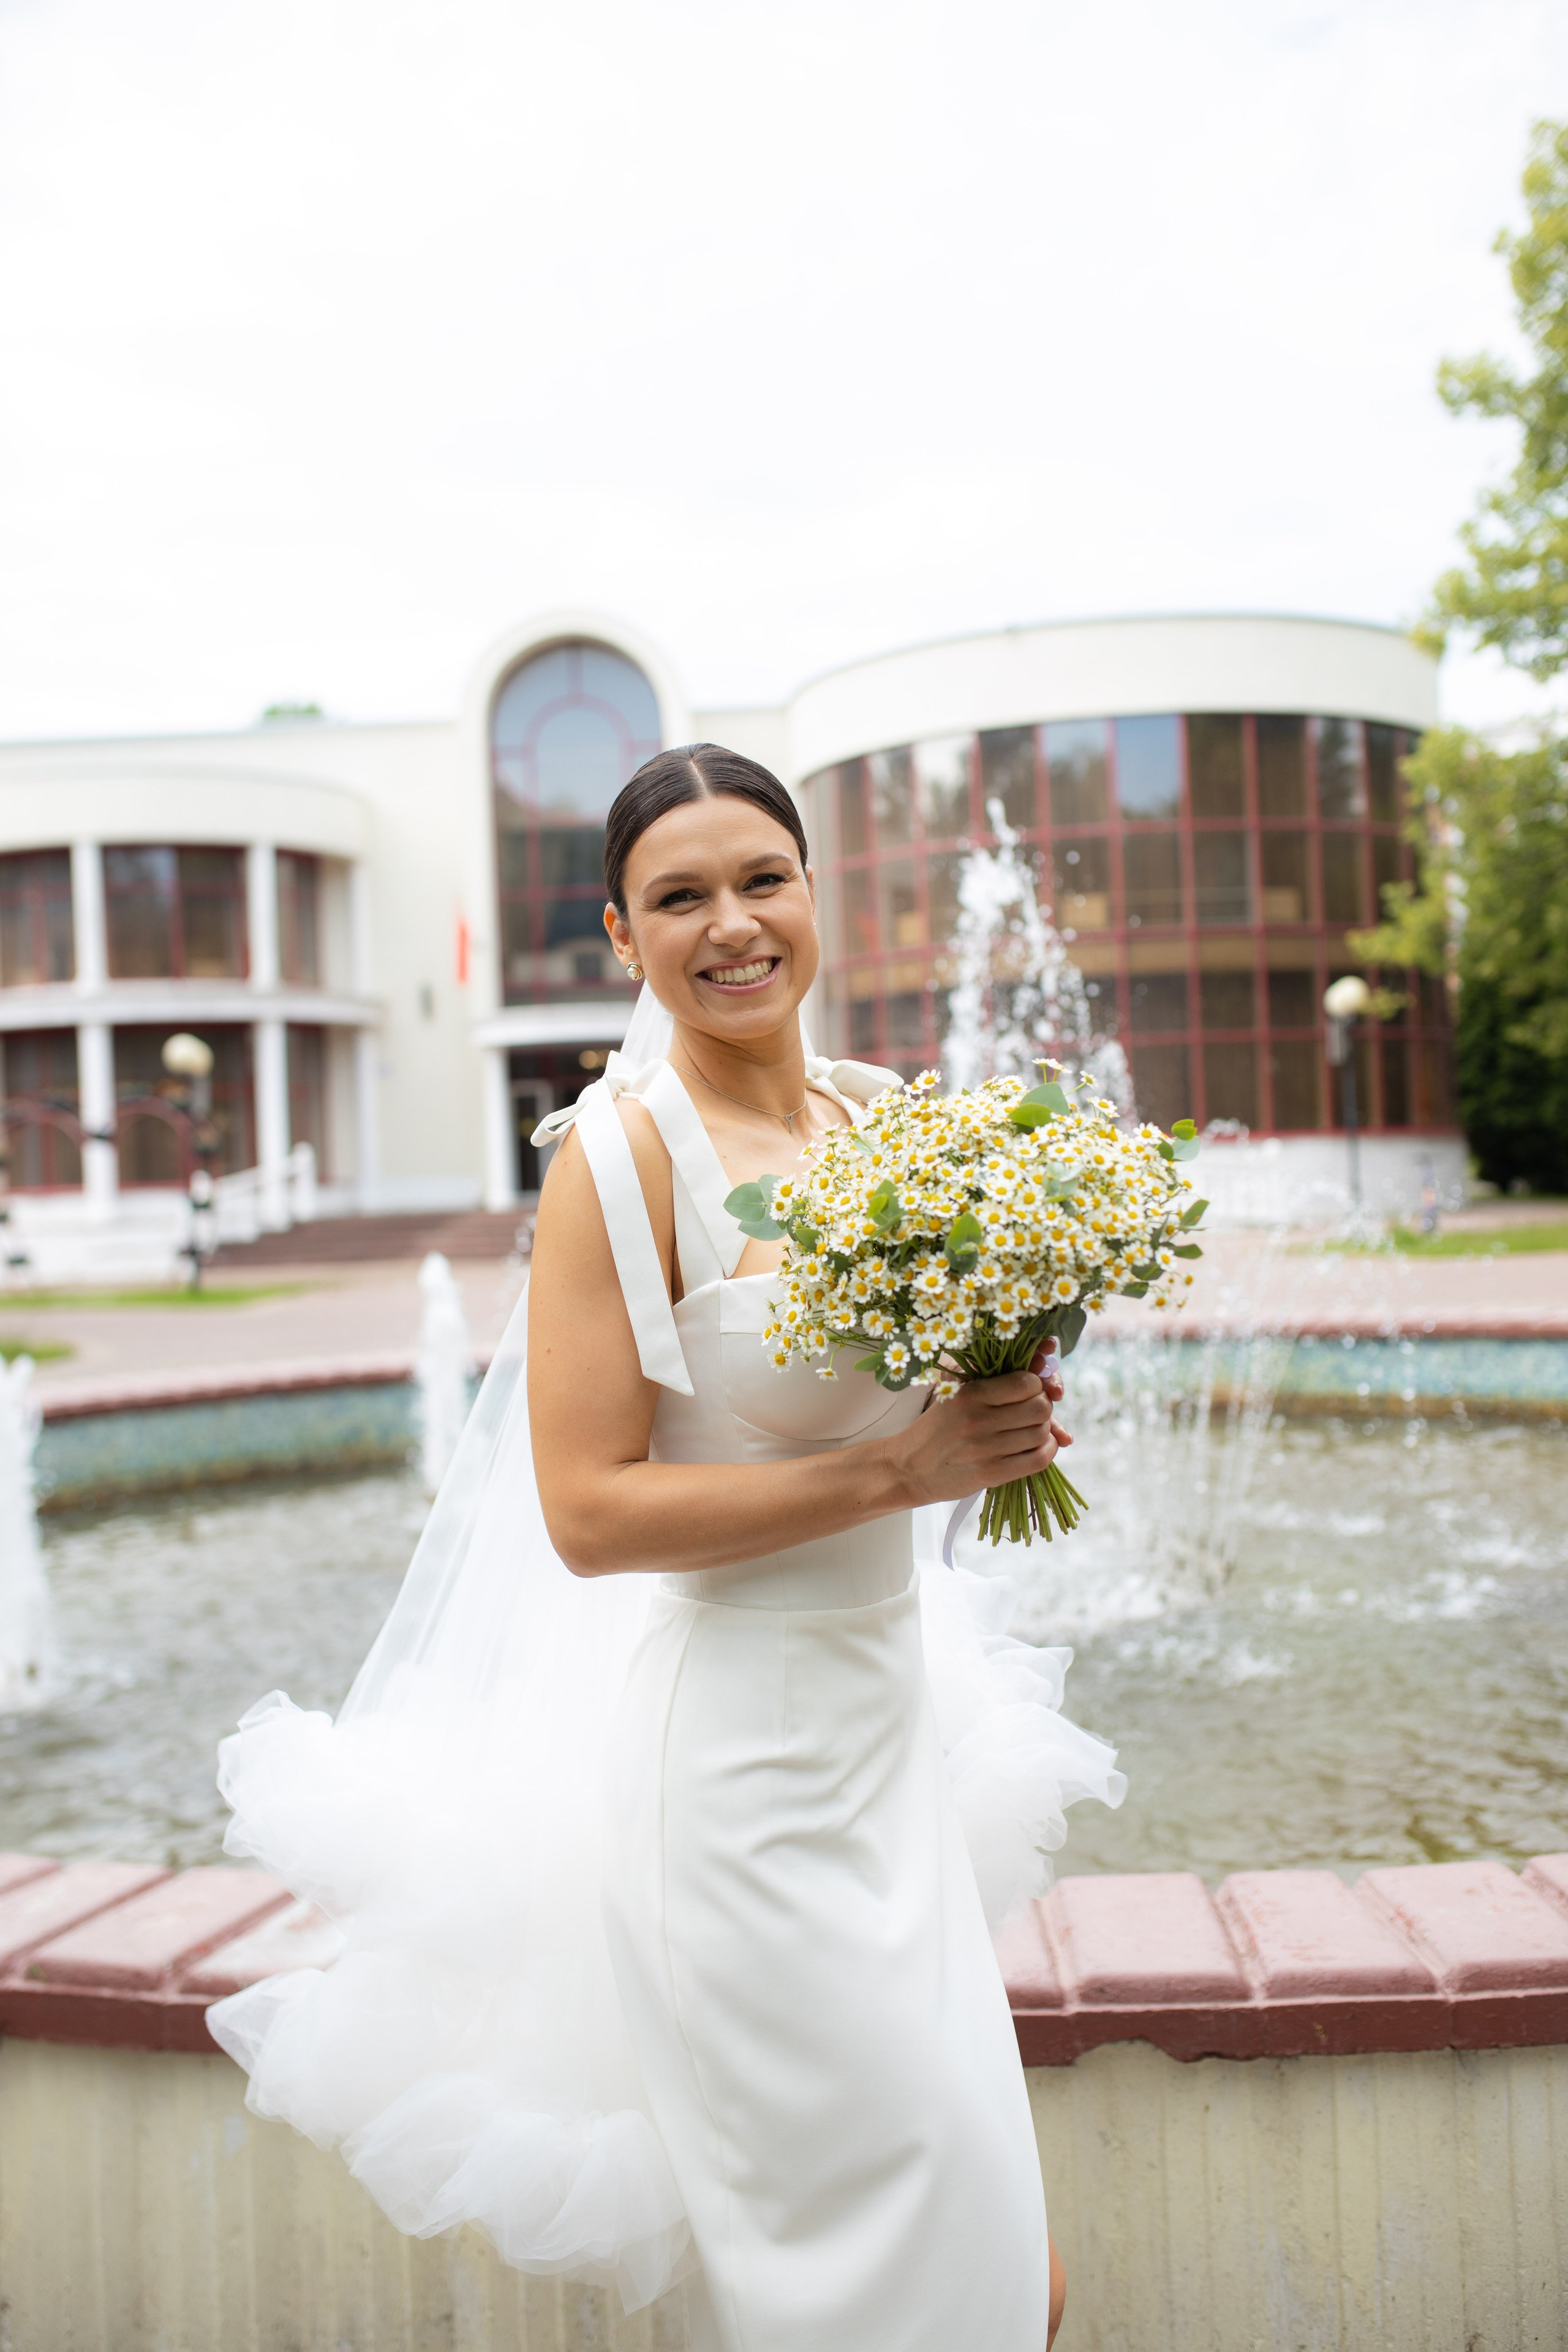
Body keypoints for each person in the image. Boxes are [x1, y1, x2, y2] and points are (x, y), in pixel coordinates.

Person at [209, 742, 1123, 2352]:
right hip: (739, 1805)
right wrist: (905, 1468)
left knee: (1008, 2282)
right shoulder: (620, 1163)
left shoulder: (888, 1119)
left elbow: (926, 1414)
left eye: (762, 878)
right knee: (890, 2304)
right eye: (678, 898)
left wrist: (999, 1398)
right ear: (622, 941)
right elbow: (589, 1513)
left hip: (887, 1749)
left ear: (811, 891)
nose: (733, 926)